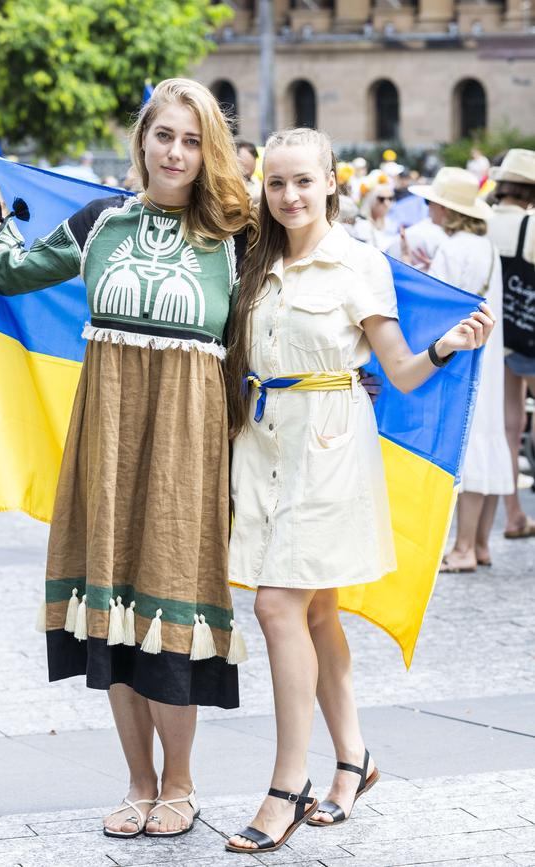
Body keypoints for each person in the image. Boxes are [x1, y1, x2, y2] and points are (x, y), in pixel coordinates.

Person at [0, 78, 253, 839]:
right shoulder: (100, 222)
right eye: (164, 135)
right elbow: (6, 270)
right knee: (111, 610)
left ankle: (180, 783)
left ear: (207, 149)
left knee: (171, 603)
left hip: (190, 445)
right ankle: (138, 782)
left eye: (191, 139)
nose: (176, 152)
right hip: (106, 434)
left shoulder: (238, 238)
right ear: (142, 139)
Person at [223, 128, 495, 854]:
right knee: (315, 613)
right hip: (263, 441)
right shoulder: (253, 259)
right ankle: (355, 759)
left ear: (329, 184)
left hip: (332, 444)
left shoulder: (359, 262)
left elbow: (400, 370)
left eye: (302, 181)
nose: (288, 196)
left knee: (277, 603)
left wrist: (448, 346)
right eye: (275, 183)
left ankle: (288, 782)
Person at [407, 167, 513, 571]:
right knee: (488, 441)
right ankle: (481, 543)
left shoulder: (454, 248)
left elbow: (432, 303)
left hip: (463, 358)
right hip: (488, 356)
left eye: (433, 201)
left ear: (447, 209)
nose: (429, 208)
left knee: (467, 448)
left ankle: (464, 547)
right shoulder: (485, 246)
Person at [486, 149, 535, 538]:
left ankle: (514, 512)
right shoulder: (531, 225)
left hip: (494, 333)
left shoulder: (481, 222)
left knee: (508, 423)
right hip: (530, 334)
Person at [352, 179, 397, 250]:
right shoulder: (362, 224)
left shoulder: (389, 222)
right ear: (371, 199)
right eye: (381, 199)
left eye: (390, 198)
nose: (387, 203)